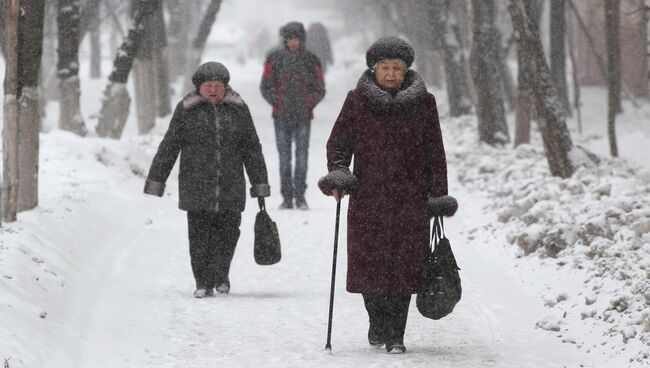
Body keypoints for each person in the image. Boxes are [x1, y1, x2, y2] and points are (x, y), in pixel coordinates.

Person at [318, 37, 450, 353]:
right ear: (374, 69)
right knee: (369, 268)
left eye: (397, 69)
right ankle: (377, 322)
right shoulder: (356, 101)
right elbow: (339, 143)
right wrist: (339, 172)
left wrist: (437, 193)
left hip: (410, 197)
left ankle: (396, 334)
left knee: (404, 268)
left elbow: (435, 151)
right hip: (368, 197)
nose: (391, 74)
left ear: (406, 72)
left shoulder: (424, 103)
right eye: (385, 68)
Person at [144, 61, 270, 298]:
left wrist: (259, 183)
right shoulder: (186, 110)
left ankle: (221, 274)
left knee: (229, 233)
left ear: (226, 87)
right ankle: (202, 280)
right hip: (196, 184)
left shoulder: (239, 109)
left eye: (218, 86)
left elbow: (252, 148)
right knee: (199, 235)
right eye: (208, 85)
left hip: (231, 184)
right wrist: (157, 179)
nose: (213, 90)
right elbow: (170, 145)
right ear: (199, 87)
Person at [260, 21, 325, 210]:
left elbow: (319, 88)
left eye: (296, 39)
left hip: (303, 117)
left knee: (302, 157)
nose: (293, 43)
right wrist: (277, 101)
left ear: (302, 39)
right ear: (285, 39)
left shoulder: (312, 60)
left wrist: (308, 103)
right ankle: (287, 197)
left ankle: (300, 196)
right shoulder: (274, 58)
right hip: (281, 116)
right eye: (290, 39)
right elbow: (265, 85)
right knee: (284, 158)